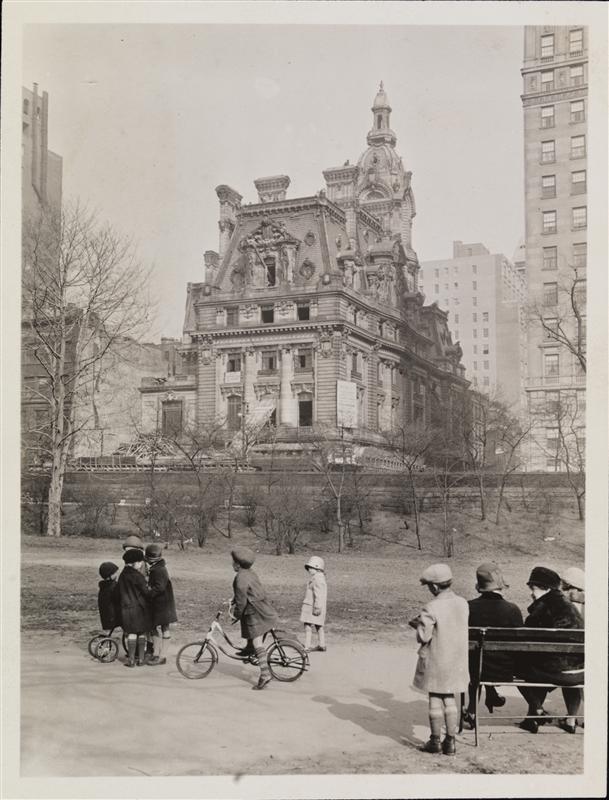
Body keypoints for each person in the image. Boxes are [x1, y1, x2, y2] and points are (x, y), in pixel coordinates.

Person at [409, 563, 469, 756]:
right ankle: (450, 741)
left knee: (435, 698)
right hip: (456, 660)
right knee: (449, 698)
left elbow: (424, 637)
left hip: (437, 658)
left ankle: (435, 741)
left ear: (434, 587)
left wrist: (418, 625)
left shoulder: (431, 607)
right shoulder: (463, 603)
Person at [516, 566, 584, 734]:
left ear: (546, 588)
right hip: (579, 672)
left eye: (533, 588)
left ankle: (536, 711)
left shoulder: (543, 606)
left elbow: (525, 636)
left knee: (519, 667)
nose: (531, 593)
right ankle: (568, 720)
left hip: (555, 671)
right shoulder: (569, 606)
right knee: (540, 663)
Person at [464, 563, 523, 727]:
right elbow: (520, 642)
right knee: (489, 656)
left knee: (478, 657)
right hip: (505, 669)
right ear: (500, 586)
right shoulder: (512, 609)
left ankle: (472, 710)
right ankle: (535, 707)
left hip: (474, 669)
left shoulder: (468, 607)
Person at [229, 547, 279, 690]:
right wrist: (234, 600)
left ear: (238, 564)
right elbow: (247, 592)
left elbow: (242, 601)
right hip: (262, 607)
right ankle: (249, 649)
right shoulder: (250, 573)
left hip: (256, 612)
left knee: (258, 642)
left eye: (233, 562)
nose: (232, 564)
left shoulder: (240, 578)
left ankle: (265, 674)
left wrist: (236, 614)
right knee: (251, 633)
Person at [117, 548, 152, 668]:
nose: (141, 564)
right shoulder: (138, 576)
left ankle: (131, 660)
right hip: (140, 609)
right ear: (135, 563)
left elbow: (118, 593)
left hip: (127, 609)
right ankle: (141, 659)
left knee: (131, 633)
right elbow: (146, 592)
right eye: (140, 562)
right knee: (141, 633)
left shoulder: (122, 576)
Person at [145, 543, 178, 666]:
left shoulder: (158, 570)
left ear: (149, 559)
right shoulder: (159, 567)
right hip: (163, 605)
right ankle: (157, 654)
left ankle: (161, 656)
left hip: (161, 606)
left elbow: (159, 588)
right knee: (160, 628)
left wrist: (148, 592)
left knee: (160, 628)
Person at [300, 556, 328, 653]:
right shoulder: (318, 578)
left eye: (311, 568)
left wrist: (317, 607)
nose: (309, 570)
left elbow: (318, 594)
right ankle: (322, 644)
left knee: (307, 625)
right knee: (318, 625)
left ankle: (307, 646)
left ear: (317, 568)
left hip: (312, 607)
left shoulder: (317, 579)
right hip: (315, 606)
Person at [97, 561, 121, 633]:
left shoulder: (103, 587)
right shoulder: (113, 587)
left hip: (106, 618)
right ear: (110, 575)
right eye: (115, 573)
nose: (117, 574)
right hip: (113, 618)